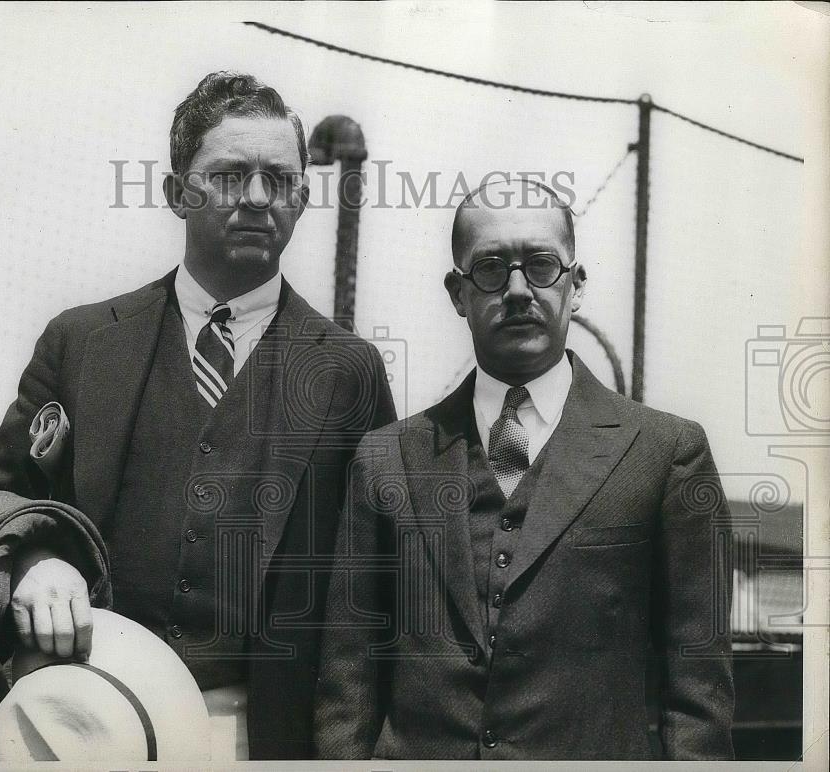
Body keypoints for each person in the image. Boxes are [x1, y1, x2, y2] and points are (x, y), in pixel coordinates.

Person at [0, 71, 396, 759]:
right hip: (80, 722)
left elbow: (378, 584)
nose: (255, 198)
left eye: (279, 179)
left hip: (261, 740)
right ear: (175, 194)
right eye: (227, 175)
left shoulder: (349, 371)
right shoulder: (82, 344)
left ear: (304, 199)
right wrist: (33, 563)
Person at [314, 178, 734, 760]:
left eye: (540, 265)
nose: (517, 290)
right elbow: (347, 688)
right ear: (457, 292)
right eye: (489, 268)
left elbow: (699, 699)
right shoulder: (386, 458)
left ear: (576, 285)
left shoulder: (666, 453)